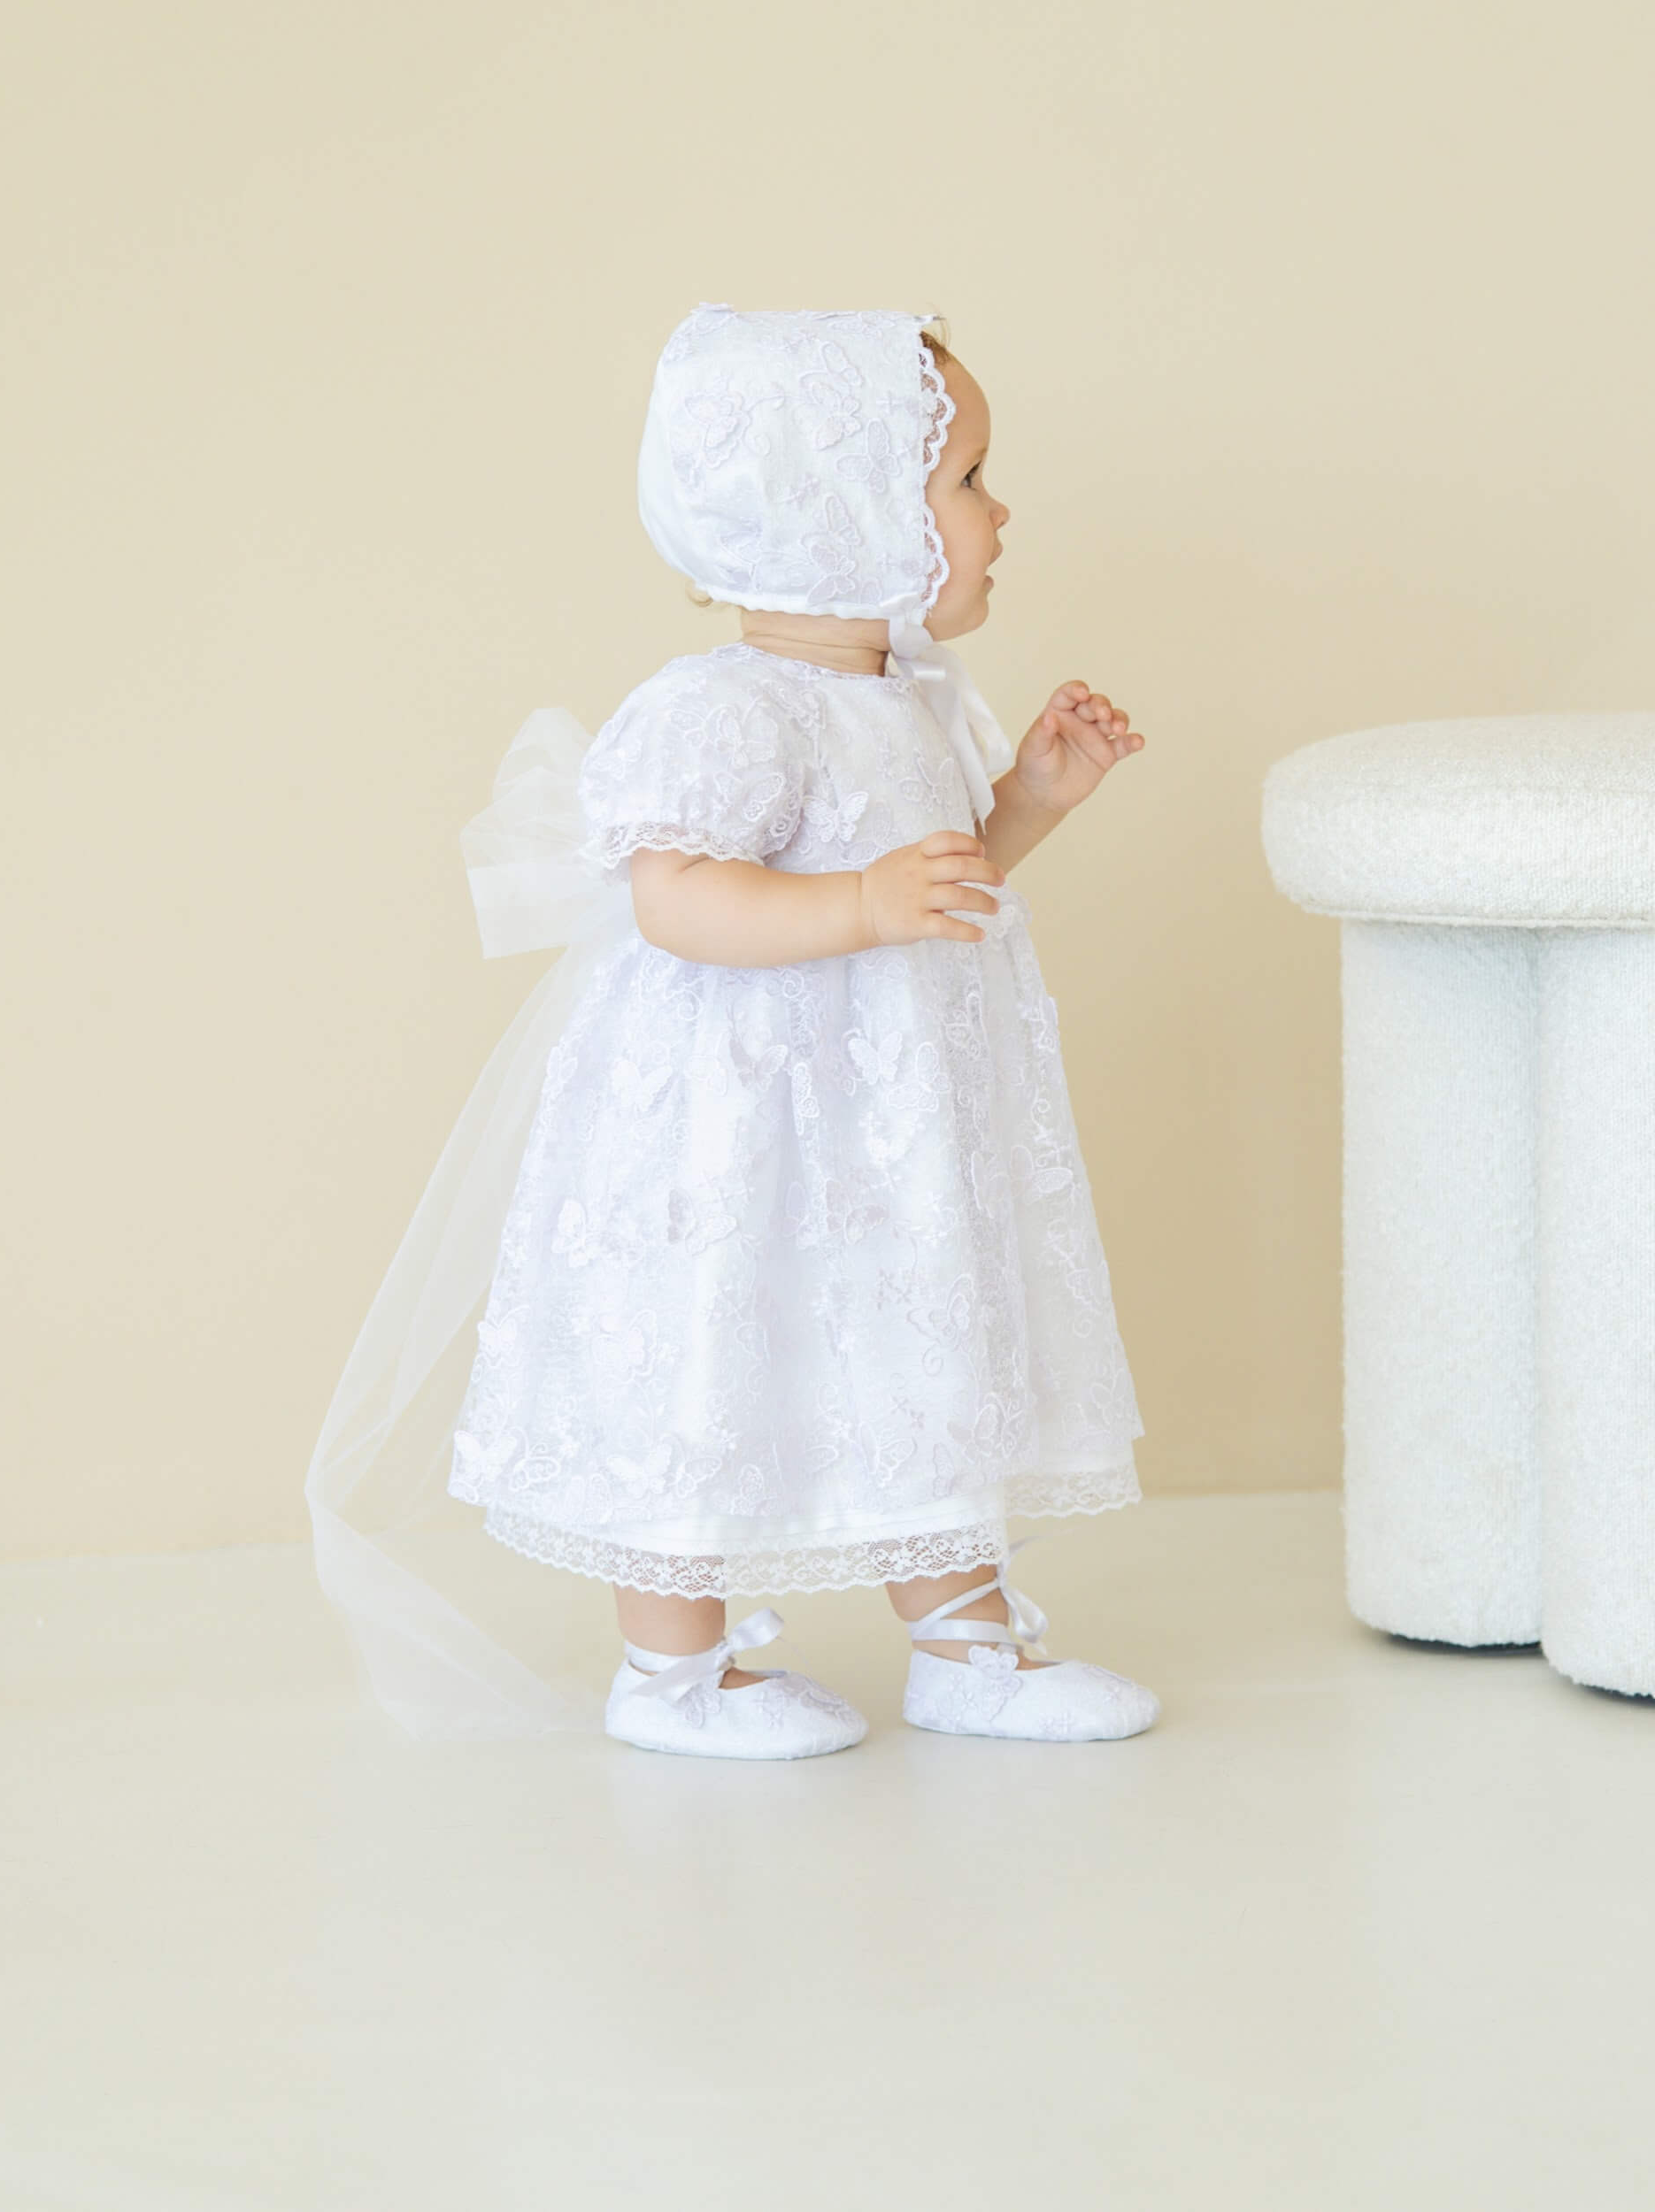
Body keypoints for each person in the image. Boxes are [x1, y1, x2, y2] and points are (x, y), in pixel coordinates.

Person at [307, 303, 1157, 1757]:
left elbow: (930, 888)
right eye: (964, 482)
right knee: (710, 1342)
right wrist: (864, 905)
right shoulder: (725, 710)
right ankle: (676, 1675)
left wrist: (1030, 800)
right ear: (839, 514)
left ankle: (964, 1641)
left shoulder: (910, 695)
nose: (997, 511)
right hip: (745, 1124)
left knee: (912, 1337)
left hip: (884, 1124)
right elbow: (680, 900)